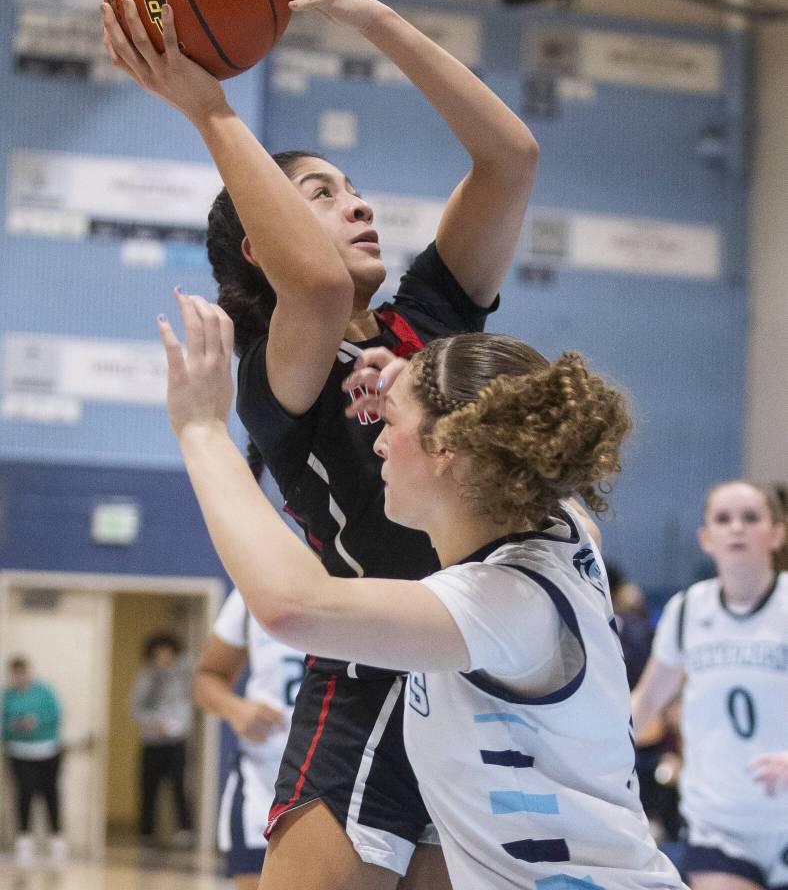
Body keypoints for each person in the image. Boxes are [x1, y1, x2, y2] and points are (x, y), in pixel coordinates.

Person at [101, 0, 538, 890]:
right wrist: (210, 108)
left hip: (484, 680)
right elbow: (318, 287)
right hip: (370, 677)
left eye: (354, 186)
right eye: (322, 194)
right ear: (262, 242)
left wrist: (368, 15)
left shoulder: (430, 318)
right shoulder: (273, 371)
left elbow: (509, 157)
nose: (360, 202)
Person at [155, 292, 690, 890]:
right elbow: (508, 442)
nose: (377, 443)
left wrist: (202, 430)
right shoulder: (562, 530)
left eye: (390, 423)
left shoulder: (505, 599)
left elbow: (292, 605)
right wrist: (412, 382)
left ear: (448, 451)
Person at [632, 481, 788, 890]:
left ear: (777, 532)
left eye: (751, 518)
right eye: (723, 519)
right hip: (719, 823)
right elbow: (644, 705)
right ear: (705, 537)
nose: (737, 528)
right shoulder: (687, 610)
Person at [194, 587, 304, 890]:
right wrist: (236, 709)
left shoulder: (373, 579)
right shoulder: (254, 590)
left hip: (348, 778)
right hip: (265, 781)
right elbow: (207, 676)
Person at [129, 632, 194, 846]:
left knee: (179, 786)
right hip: (153, 740)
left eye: (167, 651)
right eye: (159, 652)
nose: (164, 655)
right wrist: (155, 723)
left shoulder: (183, 672)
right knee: (149, 788)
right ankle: (146, 832)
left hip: (176, 740)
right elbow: (136, 708)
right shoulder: (146, 676)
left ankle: (184, 830)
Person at [2, 656, 66, 865]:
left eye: (23, 672)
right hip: (20, 752)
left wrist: (35, 722)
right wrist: (16, 726)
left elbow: (55, 715)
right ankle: (24, 839)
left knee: (50, 793)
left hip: (47, 750)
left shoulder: (44, 691)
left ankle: (56, 838)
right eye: (16, 673)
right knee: (24, 793)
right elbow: (4, 723)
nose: (20, 677)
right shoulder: (8, 696)